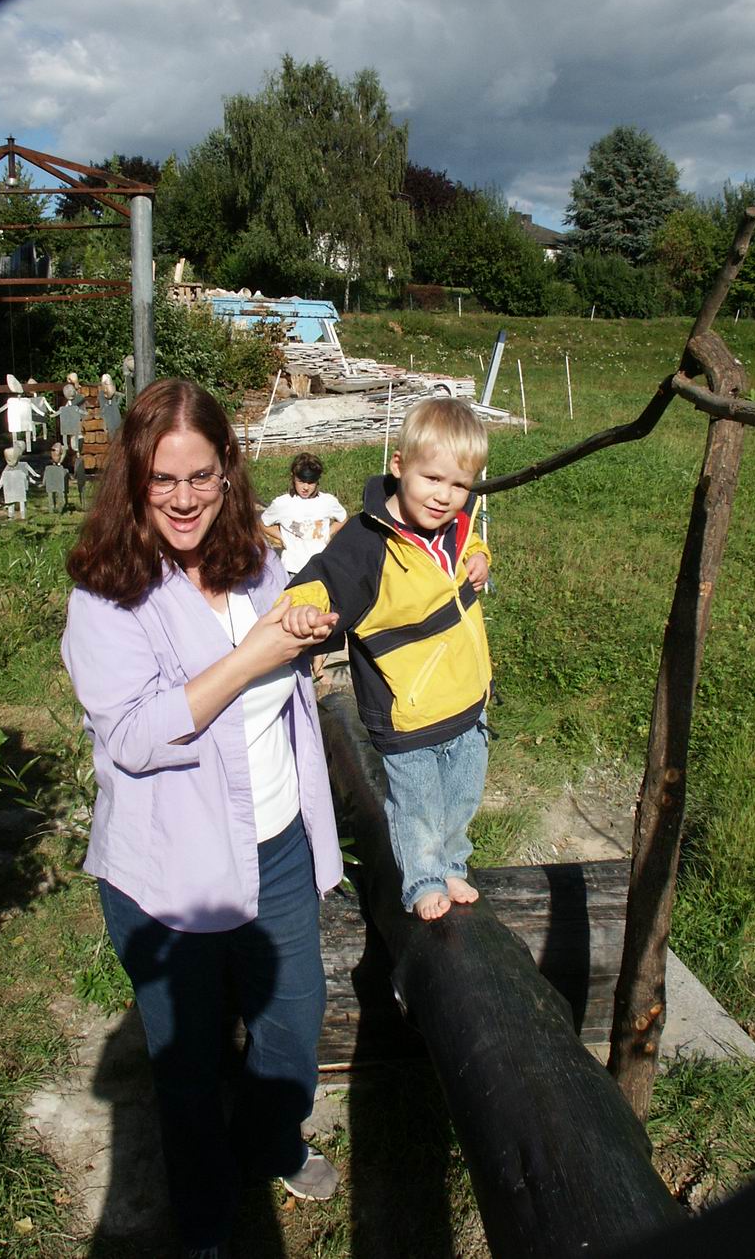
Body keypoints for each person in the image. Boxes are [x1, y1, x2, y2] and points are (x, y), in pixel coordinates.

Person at [61, 379, 343, 1259]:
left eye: (202, 477)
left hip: (279, 842)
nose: (184, 499)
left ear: (229, 473)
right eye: (163, 480)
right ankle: (208, 1220)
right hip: (169, 870)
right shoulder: (107, 594)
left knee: (295, 1020)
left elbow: (288, 671)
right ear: (134, 481)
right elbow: (138, 736)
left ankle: (270, 1137)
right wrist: (253, 652)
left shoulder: (255, 563)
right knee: (185, 1069)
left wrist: (301, 621)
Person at [281, 398, 493, 923]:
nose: (445, 497)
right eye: (433, 479)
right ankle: (421, 880)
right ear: (398, 466)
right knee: (417, 803)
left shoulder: (454, 525)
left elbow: (471, 541)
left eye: (460, 485)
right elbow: (319, 579)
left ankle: (452, 863)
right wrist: (303, 611)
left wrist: (481, 557)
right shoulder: (370, 541)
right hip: (408, 710)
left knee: (463, 796)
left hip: (469, 696)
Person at [260, 452, 347, 579]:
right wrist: (282, 537)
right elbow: (263, 523)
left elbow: (343, 518)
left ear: (318, 481)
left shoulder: (327, 501)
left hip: (320, 566)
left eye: (311, 482)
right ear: (293, 477)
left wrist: (328, 532)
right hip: (293, 569)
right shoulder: (282, 503)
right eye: (301, 481)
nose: (305, 487)